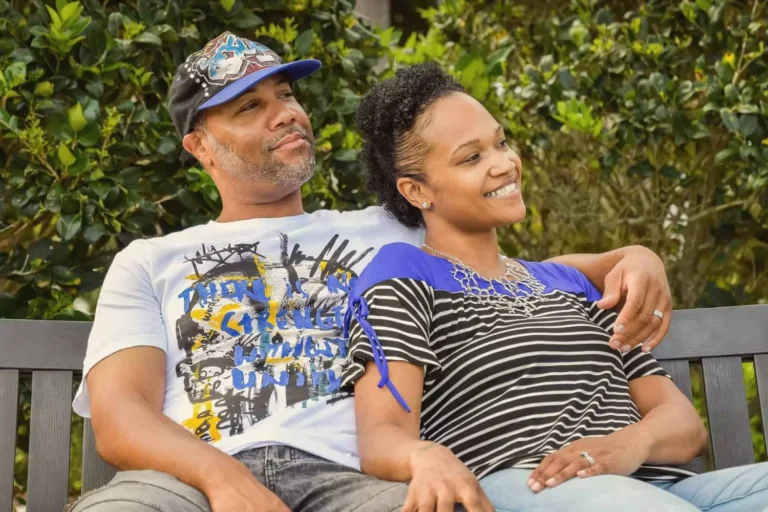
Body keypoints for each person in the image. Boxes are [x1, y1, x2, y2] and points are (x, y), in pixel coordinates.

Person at [71, 33, 677, 512]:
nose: (285, 114)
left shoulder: (394, 230)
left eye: (286, 95)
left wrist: (633, 257)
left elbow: (514, 274)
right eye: (252, 107)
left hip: (353, 476)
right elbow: (121, 416)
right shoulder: (148, 260)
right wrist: (223, 478)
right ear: (200, 147)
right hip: (189, 482)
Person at [341, 61, 768, 512]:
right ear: (416, 191)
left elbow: (684, 426)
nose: (504, 164)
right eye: (471, 157)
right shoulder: (402, 275)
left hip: (658, 486)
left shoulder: (569, 282)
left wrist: (627, 445)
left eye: (501, 143)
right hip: (527, 482)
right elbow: (383, 436)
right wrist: (425, 457)